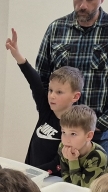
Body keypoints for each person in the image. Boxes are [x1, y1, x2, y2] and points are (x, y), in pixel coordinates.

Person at [25, 0, 108, 157]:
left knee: (93, 177)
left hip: (95, 134)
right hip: (57, 131)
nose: (83, 5)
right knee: (48, 175)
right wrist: (49, 114)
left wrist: (102, 123)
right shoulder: (56, 28)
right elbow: (41, 77)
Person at [6, 29, 83, 175]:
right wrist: (18, 56)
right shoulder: (46, 110)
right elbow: (34, 82)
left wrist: (30, 173)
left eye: (59, 92)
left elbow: (58, 163)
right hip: (32, 175)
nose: (52, 96)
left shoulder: (74, 127)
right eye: (50, 90)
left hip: (52, 179)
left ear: (75, 96)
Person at [59, 105, 108, 187]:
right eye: (63, 132)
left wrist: (72, 161)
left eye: (73, 134)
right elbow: (67, 180)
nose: (66, 139)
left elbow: (82, 188)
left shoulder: (98, 157)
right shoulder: (63, 146)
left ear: (89, 136)